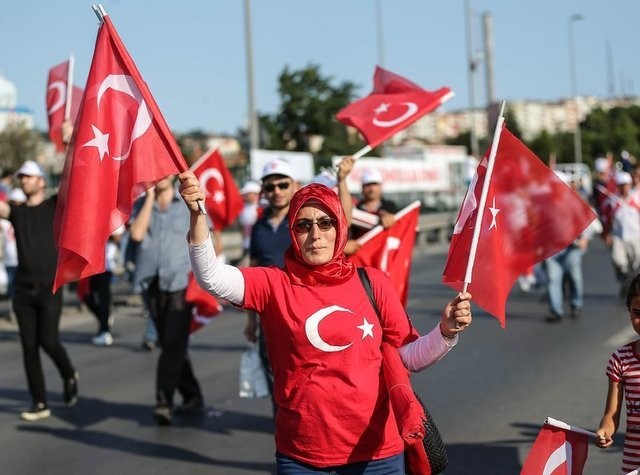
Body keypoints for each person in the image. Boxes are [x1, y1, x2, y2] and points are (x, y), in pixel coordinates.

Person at [179, 173, 473, 473]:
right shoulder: (273, 283)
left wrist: (445, 332)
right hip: (302, 456)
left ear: (340, 227)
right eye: (304, 225)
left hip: (377, 456)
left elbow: (408, 357)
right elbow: (211, 277)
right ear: (292, 233)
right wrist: (197, 213)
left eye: (326, 222)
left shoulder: (372, 282)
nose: (315, 234)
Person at [0, 160, 78, 421]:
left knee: (49, 340)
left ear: (42, 181)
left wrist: (70, 142)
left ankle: (68, 373)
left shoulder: (54, 206)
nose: (24, 180)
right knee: (29, 347)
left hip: (49, 287)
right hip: (22, 289)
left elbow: (74, 180)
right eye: (22, 177)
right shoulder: (17, 211)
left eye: (30, 176)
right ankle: (40, 401)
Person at [129, 175, 204, 425]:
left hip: (180, 284)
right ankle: (192, 394)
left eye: (164, 172)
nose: (159, 177)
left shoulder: (186, 204)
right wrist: (149, 197)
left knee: (173, 343)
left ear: (173, 175)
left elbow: (206, 235)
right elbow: (137, 234)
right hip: (151, 283)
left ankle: (164, 401)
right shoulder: (142, 205)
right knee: (171, 344)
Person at [595, 272, 640, 474]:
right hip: (634, 463)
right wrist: (604, 431)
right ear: (629, 311)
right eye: (638, 312)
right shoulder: (620, 359)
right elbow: (611, 415)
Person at [349, 168, 398, 242]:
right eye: (368, 185)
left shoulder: (391, 206)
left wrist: (391, 218)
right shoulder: (354, 210)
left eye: (374, 184)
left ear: (381, 186)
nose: (371, 188)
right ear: (362, 188)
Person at [237, 180, 262, 267]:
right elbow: (241, 227)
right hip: (246, 245)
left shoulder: (261, 208)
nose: (245, 196)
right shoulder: (243, 208)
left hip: (257, 246)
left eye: (248, 193)